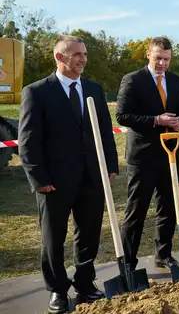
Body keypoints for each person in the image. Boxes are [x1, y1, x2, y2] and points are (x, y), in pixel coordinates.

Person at [19, 35, 118, 313]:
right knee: (53, 238)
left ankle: (85, 283)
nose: (83, 59)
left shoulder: (94, 90)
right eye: (76, 54)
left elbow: (104, 132)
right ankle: (57, 291)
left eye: (84, 54)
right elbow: (28, 140)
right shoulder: (37, 92)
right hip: (54, 182)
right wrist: (38, 179)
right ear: (59, 57)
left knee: (88, 234)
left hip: (92, 178)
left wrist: (110, 166)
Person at [116, 36, 179, 271]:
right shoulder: (133, 80)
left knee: (167, 207)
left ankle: (163, 254)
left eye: (166, 59)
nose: (162, 64)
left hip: (169, 154)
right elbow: (123, 116)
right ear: (148, 54)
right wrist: (156, 120)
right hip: (142, 157)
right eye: (158, 58)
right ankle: (128, 262)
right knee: (136, 211)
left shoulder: (175, 81)